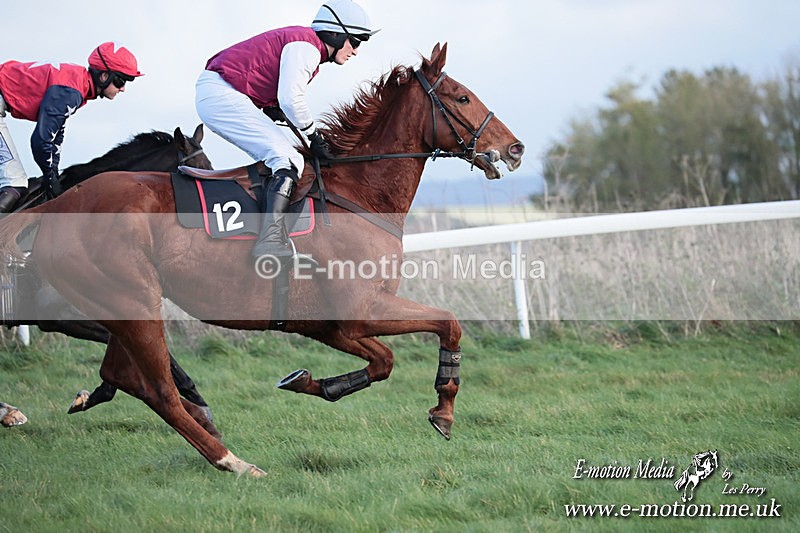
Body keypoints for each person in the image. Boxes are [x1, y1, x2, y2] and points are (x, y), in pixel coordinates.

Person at [195, 0, 378, 260]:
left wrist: (271, 106)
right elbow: (291, 99)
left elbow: (277, 91)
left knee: (289, 157)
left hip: (225, 92)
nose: (356, 51)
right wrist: (314, 137)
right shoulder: (308, 47)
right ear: (335, 34)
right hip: (222, 94)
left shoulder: (305, 44)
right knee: (287, 158)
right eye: (356, 41)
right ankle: (269, 241)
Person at [0, 42, 143, 213]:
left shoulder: (77, 83)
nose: (123, 89)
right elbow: (41, 140)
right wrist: (49, 176)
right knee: (14, 182)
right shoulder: (71, 91)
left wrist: (53, 172)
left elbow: (55, 135)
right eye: (120, 81)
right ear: (104, 76)